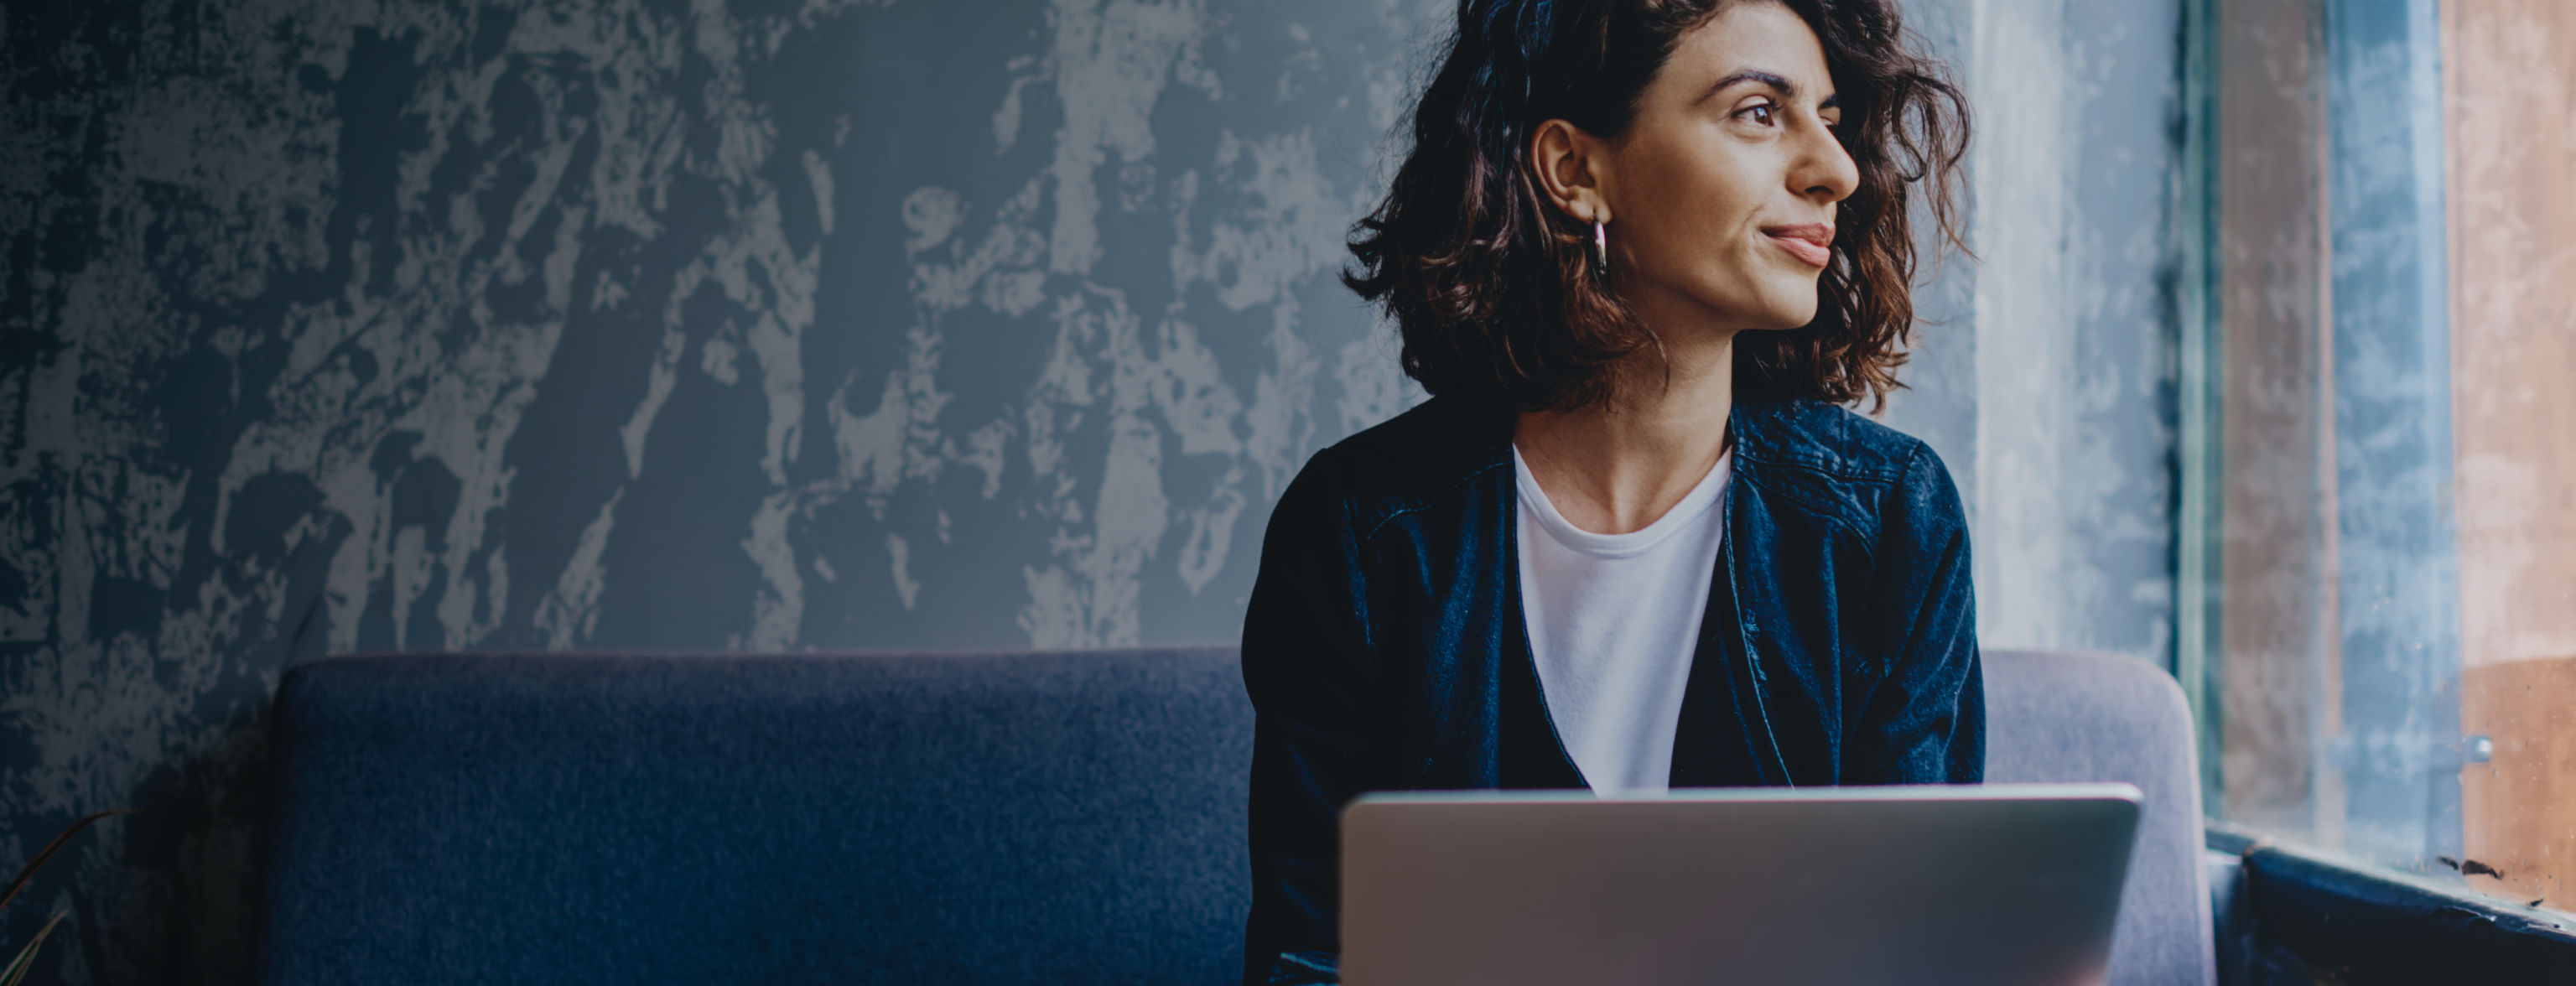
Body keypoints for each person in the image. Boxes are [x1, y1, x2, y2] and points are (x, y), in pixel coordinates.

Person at [1238, 0, 1981, 982]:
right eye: (1759, 112)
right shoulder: (1362, 536)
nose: (1835, 169)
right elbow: (1311, 955)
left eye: (1830, 120)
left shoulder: (1890, 522)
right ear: (1575, 170)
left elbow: (1926, 949)